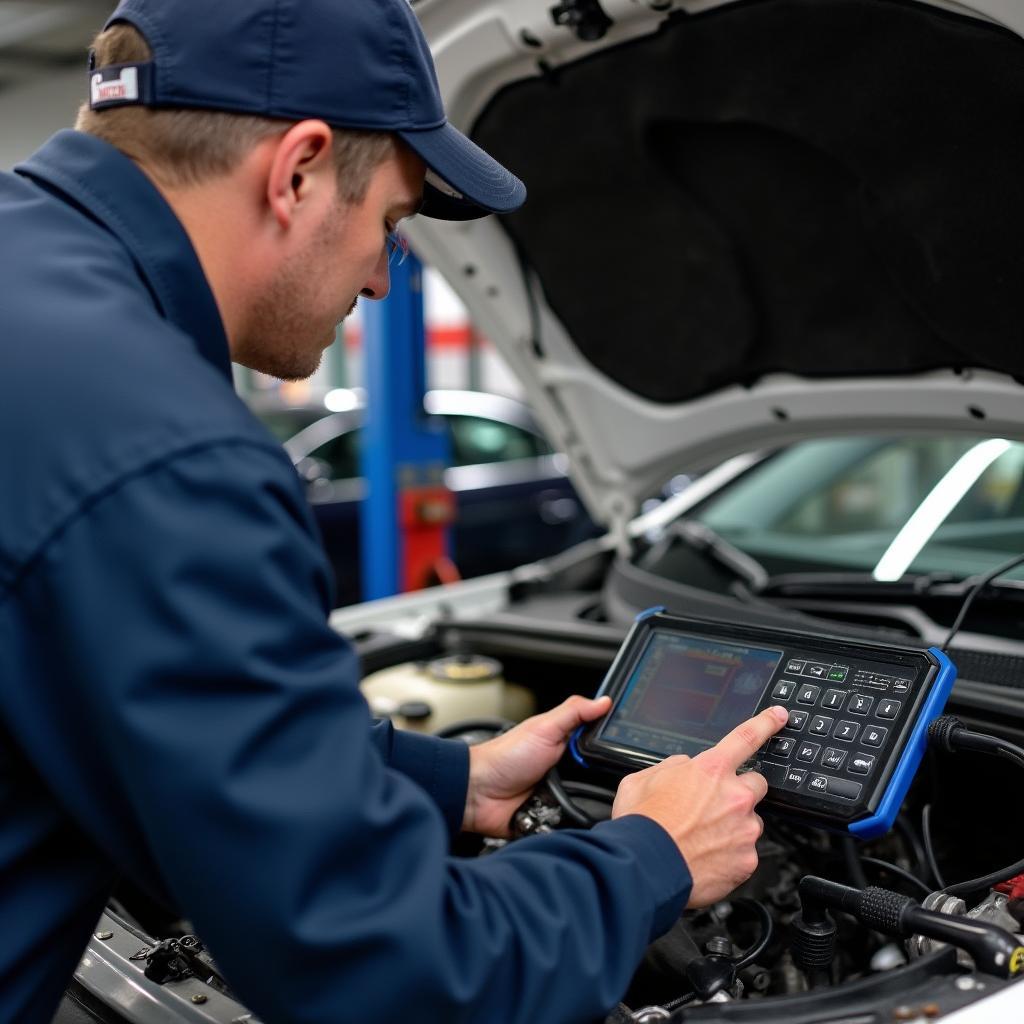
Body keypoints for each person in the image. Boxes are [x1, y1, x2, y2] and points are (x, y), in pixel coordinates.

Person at [0, 1, 786, 1021]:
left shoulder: (38, 310)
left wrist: (451, 778)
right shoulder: (163, 454)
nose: (380, 277)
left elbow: (106, 702)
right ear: (298, 169)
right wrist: (647, 858)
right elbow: (381, 973)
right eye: (391, 223)